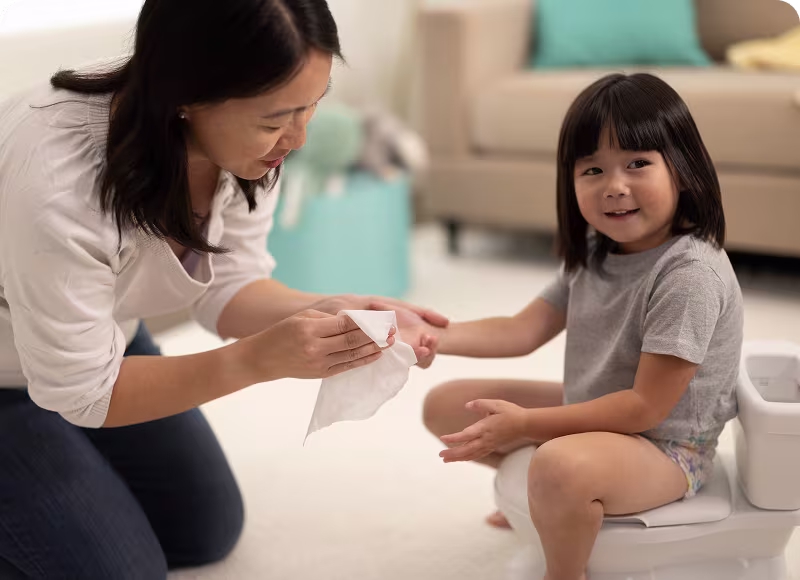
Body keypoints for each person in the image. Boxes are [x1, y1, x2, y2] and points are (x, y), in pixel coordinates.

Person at [0, 0, 444, 577]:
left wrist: (327, 308)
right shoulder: (59, 180)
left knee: (203, 527)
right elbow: (85, 393)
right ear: (184, 95)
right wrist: (254, 361)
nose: (299, 138)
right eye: (275, 119)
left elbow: (226, 288)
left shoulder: (240, 150)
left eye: (313, 105)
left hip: (97, 338)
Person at [420, 73, 744, 580]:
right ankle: (553, 505)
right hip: (596, 412)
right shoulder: (598, 250)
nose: (614, 186)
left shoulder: (689, 275)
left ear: (682, 167)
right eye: (592, 169)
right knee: (446, 404)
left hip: (667, 448)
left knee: (558, 469)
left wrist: (526, 425)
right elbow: (521, 330)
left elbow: (644, 409)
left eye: (637, 163)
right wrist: (434, 336)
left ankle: (563, 566)